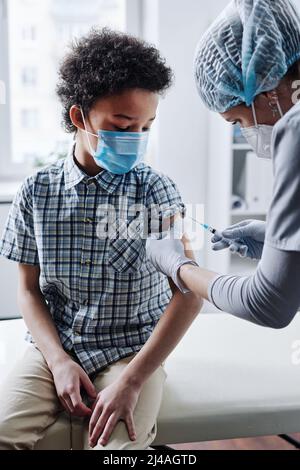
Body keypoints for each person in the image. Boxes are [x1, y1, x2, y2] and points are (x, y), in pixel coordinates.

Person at [0, 29, 202, 450]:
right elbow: (28, 290)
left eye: (146, 126)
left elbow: (188, 294)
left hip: (132, 350)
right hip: (55, 345)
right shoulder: (36, 192)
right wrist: (57, 361)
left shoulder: (155, 192)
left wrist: (131, 381)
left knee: (120, 452)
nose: (137, 137)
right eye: (123, 125)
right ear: (79, 117)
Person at [146, 0, 300, 329]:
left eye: (237, 120)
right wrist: (276, 241)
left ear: (264, 91)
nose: (246, 132)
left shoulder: (296, 128)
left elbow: (269, 303)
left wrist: (179, 266)